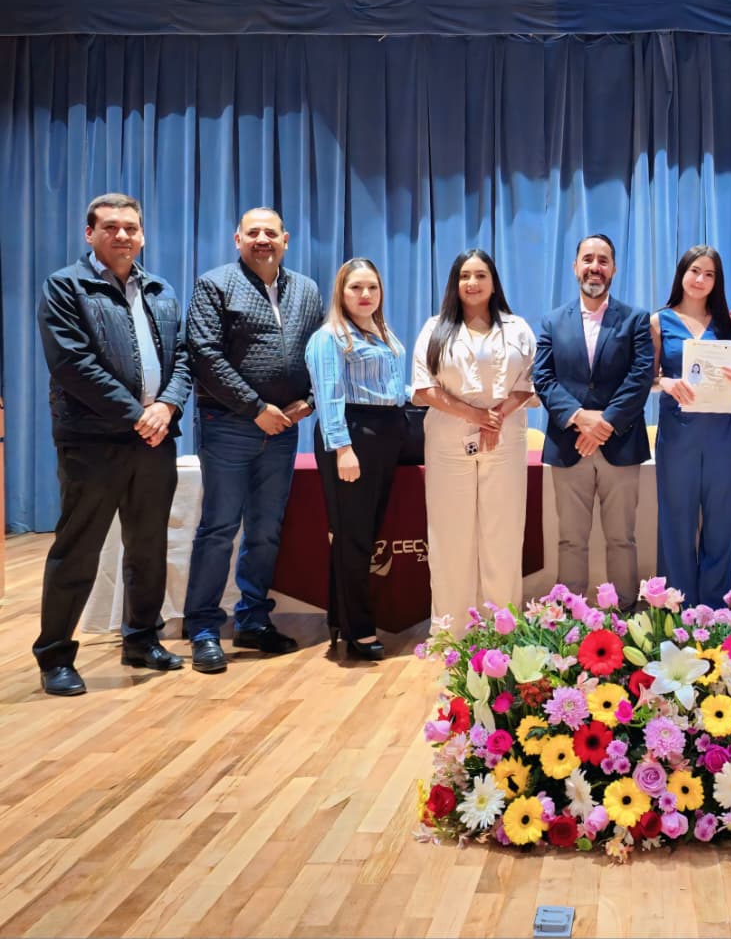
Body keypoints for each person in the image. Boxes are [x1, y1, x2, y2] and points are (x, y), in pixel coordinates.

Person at [33, 193, 192, 696]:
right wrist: (138, 414)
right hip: (91, 441)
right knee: (78, 549)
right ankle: (55, 656)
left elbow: (183, 357)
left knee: (148, 547)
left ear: (142, 234)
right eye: (110, 227)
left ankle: (142, 639)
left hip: (156, 438)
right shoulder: (65, 286)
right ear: (90, 233)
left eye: (130, 227)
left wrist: (167, 407)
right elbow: (72, 363)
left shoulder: (161, 290)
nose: (122, 235)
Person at [183, 207, 324, 673]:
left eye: (271, 232)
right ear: (237, 239)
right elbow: (204, 354)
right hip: (228, 424)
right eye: (253, 232)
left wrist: (309, 401)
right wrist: (255, 408)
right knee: (220, 527)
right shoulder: (215, 284)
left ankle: (253, 620)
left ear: (286, 239)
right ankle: (204, 628)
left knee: (265, 530)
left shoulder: (307, 290)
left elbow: (320, 352)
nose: (263, 239)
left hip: (283, 429)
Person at [411, 249, 536, 632]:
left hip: (505, 440)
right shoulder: (435, 328)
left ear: (493, 282)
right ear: (455, 282)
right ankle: (451, 631)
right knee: (450, 536)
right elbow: (423, 388)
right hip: (448, 443)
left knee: (503, 535)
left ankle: (503, 631)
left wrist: (494, 419)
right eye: (465, 275)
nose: (472, 282)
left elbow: (529, 384)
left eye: (481, 275)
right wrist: (475, 416)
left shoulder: (517, 328)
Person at [534, 234, 653, 612]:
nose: (595, 267)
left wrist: (606, 423)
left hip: (621, 442)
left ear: (614, 268)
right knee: (571, 540)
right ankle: (570, 617)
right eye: (588, 259)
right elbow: (543, 378)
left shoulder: (635, 319)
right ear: (575, 267)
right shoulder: (552, 321)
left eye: (603, 260)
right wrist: (580, 418)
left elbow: (640, 377)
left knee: (622, 538)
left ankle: (625, 614)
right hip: (569, 444)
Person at [306, 259, 407, 660]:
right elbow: (328, 395)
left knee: (364, 533)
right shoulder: (329, 337)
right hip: (353, 434)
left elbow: (389, 386)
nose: (365, 295)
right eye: (356, 288)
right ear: (341, 292)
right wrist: (342, 448)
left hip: (386, 431)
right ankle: (357, 629)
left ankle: (341, 619)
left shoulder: (382, 333)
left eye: (372, 288)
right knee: (353, 536)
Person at [650, 246, 731, 606]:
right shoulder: (659, 321)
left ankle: (715, 610)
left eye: (709, 274)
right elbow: (647, 378)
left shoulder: (728, 323)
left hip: (721, 433)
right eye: (695, 271)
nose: (700, 279)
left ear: (717, 281)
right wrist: (664, 382)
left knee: (722, 522)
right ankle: (677, 609)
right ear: (682, 273)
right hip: (678, 434)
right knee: (676, 523)